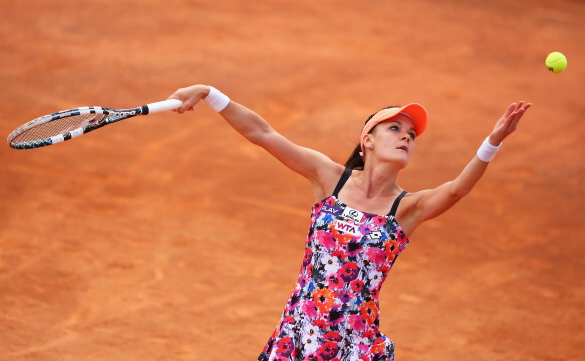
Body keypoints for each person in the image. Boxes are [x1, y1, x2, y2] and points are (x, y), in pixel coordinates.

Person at [167, 84, 531, 361]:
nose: (406, 135)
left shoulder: (406, 208)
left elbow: (456, 190)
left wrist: (493, 141)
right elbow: (263, 134)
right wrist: (211, 93)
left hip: (355, 344)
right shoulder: (329, 178)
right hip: (299, 332)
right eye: (395, 128)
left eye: (412, 134)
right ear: (366, 140)